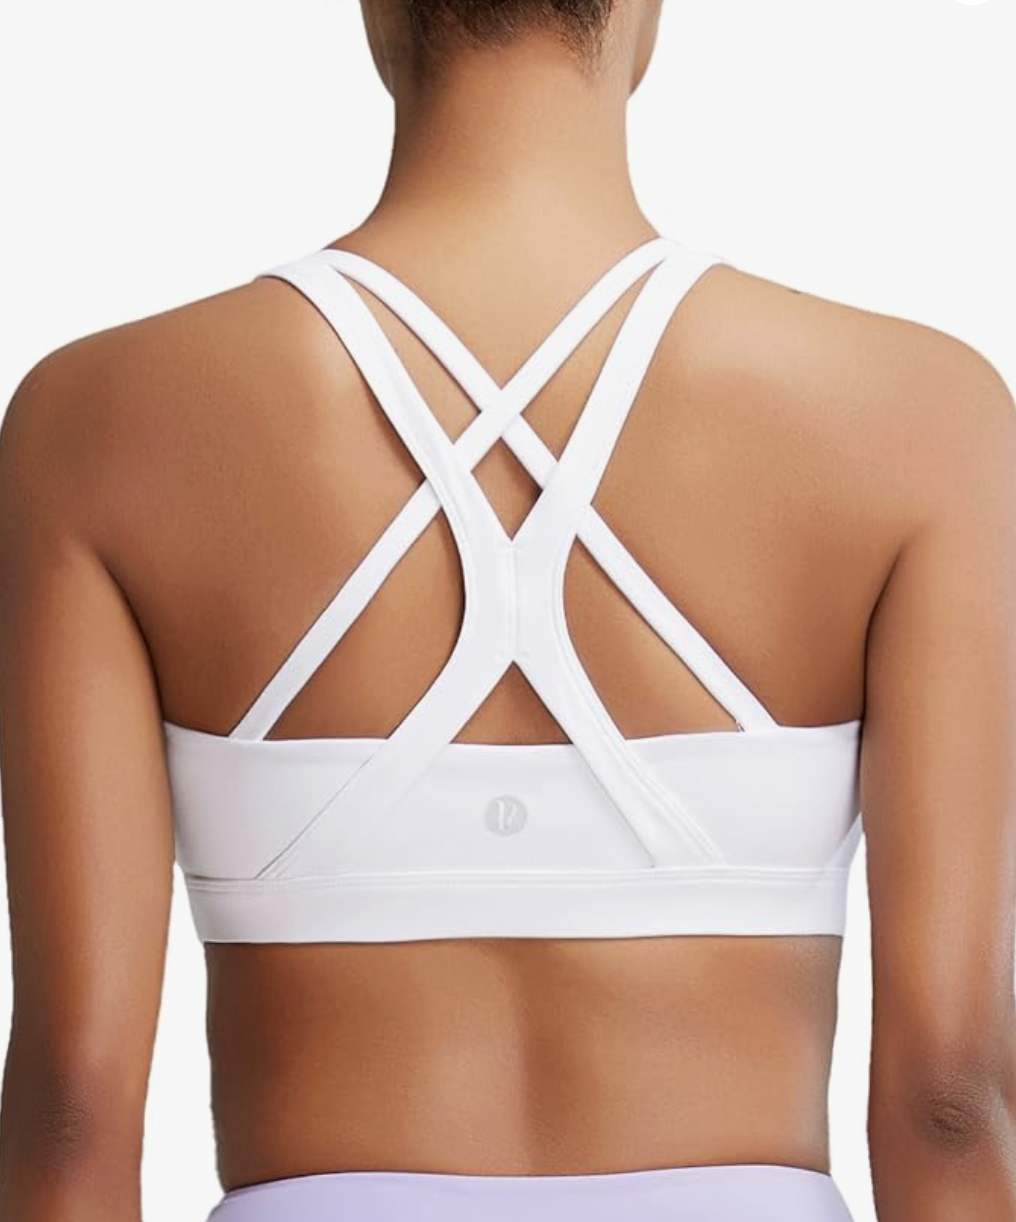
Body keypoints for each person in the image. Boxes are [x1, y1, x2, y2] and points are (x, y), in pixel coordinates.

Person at [1, 1, 1015, 1219]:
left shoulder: (94, 421)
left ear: (377, 11)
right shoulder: (922, 416)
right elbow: (947, 1097)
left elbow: (71, 1106)